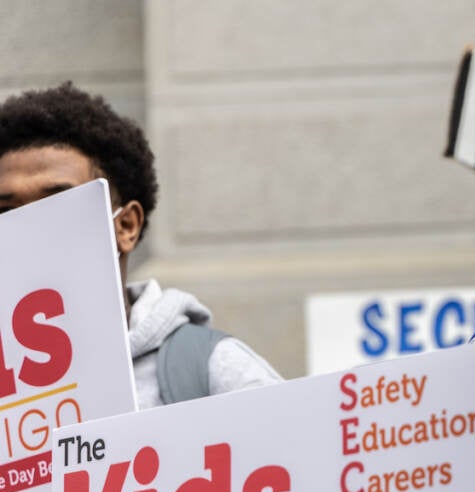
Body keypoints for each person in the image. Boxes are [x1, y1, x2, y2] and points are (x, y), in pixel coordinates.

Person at [0, 82, 282, 409]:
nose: (31, 228)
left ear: (126, 226)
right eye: (5, 212)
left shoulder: (218, 370)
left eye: (62, 203)